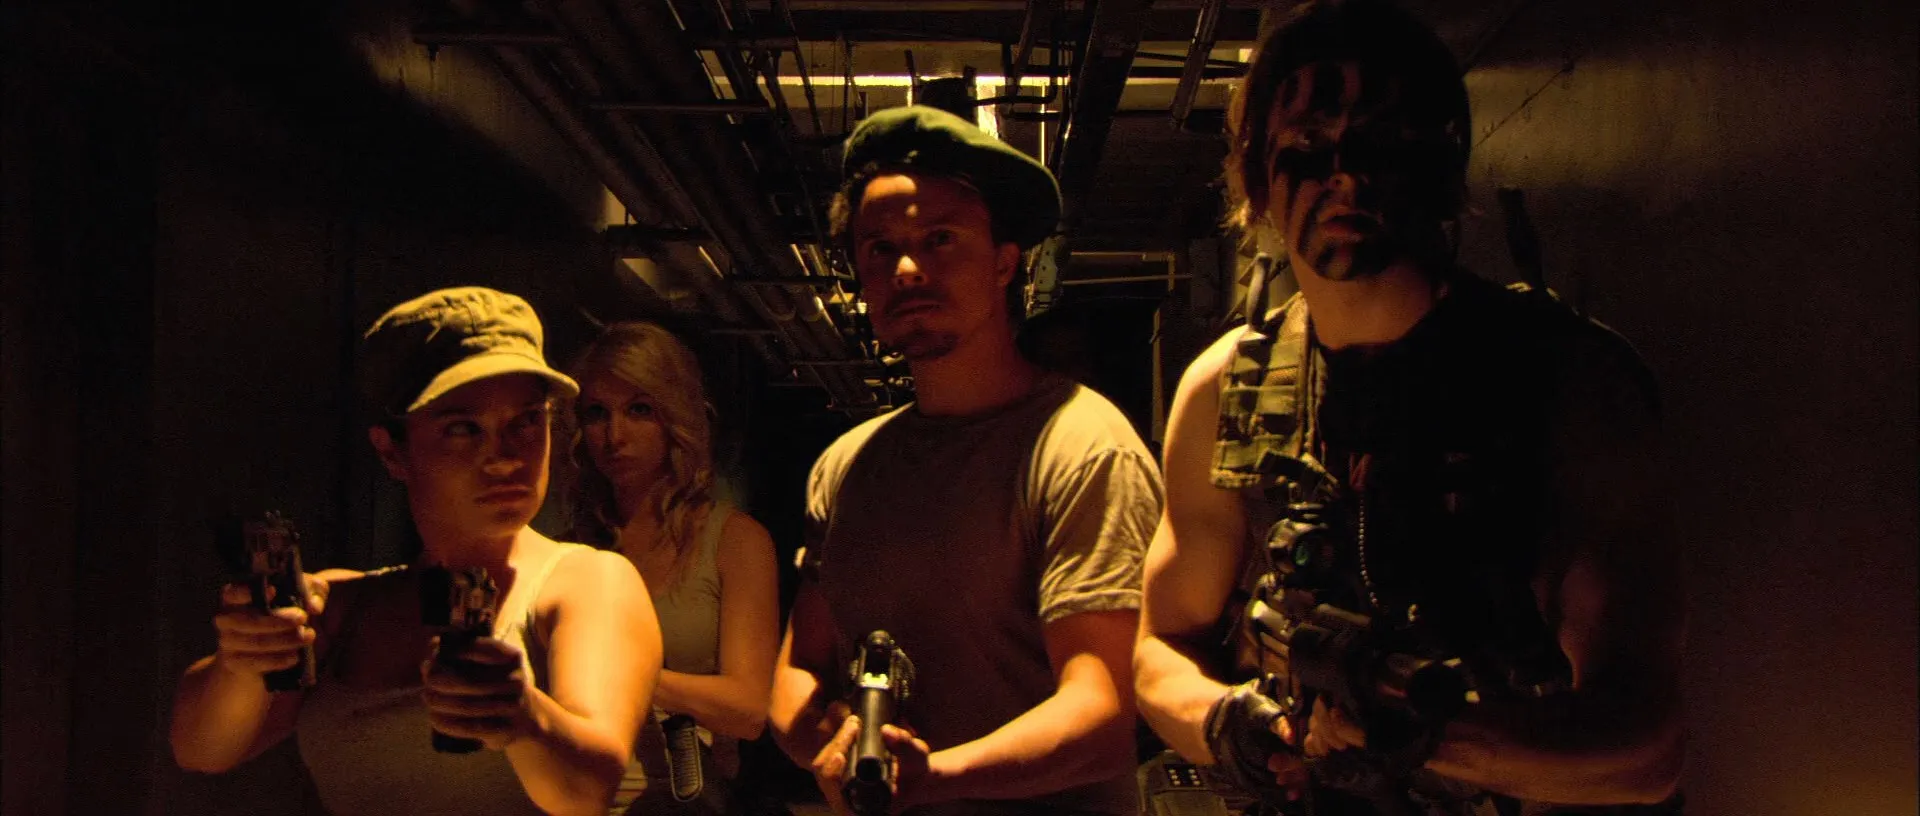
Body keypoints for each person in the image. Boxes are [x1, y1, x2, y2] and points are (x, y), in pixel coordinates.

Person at [1132, 2, 1686, 814]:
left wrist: (1434, 741)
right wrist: (1230, 725)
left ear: (1442, 161)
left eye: (1385, 141)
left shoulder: (1567, 380)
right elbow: (1159, 648)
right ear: (1258, 173)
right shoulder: (1227, 388)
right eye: (1311, 144)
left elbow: (1645, 749)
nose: (1347, 175)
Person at [766, 105, 1164, 816]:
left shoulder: (1082, 448)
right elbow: (800, 667)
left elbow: (1104, 714)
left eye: (940, 239)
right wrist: (834, 744)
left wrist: (930, 779)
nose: (906, 269)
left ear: (1005, 263)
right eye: (879, 249)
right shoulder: (845, 468)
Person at [170, 286, 662, 816]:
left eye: (525, 421)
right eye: (463, 429)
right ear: (392, 450)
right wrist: (242, 660)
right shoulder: (344, 606)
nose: (504, 457)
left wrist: (524, 718)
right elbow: (202, 750)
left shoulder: (587, 581)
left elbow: (587, 792)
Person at [565, 321, 779, 815]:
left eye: (639, 410)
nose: (614, 435)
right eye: (597, 413)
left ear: (674, 416)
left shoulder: (733, 541)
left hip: (689, 802)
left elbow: (748, 708)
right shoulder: (569, 551)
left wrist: (623, 675)